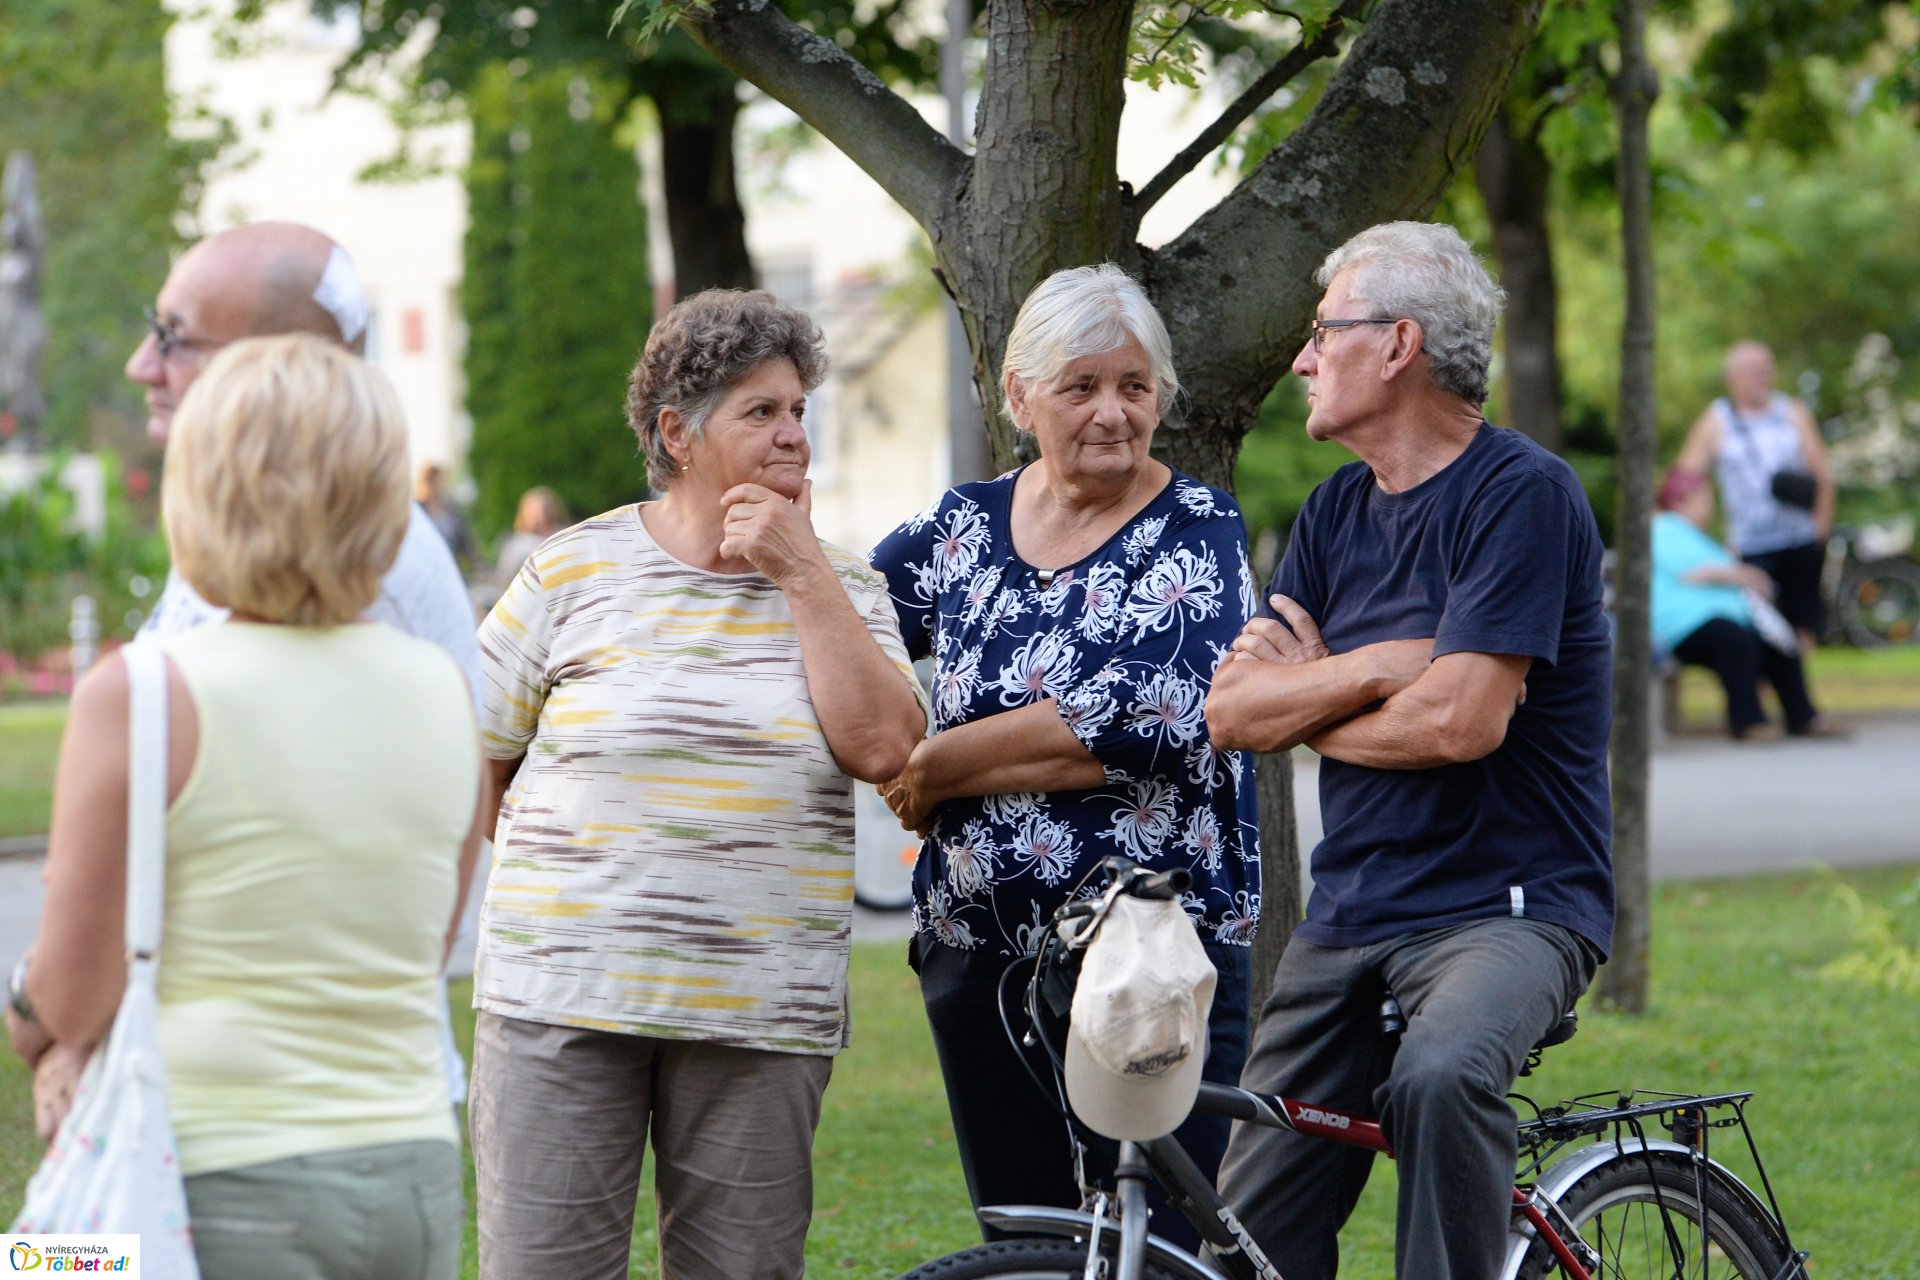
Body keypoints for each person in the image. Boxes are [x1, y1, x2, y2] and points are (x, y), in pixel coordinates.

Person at [5, 335, 487, 1279]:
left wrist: (29, 1017)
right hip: (410, 1171)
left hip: (202, 1182)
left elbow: (68, 991)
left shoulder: (143, 692)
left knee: (39, 1264)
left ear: (203, 489)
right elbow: (422, 945)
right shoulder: (440, 688)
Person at [471, 288, 927, 1280]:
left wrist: (801, 571)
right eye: (760, 410)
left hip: (760, 1013)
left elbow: (888, 746)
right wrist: (576, 889)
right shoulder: (569, 571)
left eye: (799, 408)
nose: (793, 433)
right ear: (678, 432)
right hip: (563, 998)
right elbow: (479, 752)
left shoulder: (845, 588)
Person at [1205, 222, 1613, 1280]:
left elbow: (1461, 723)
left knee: (1438, 1077)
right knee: (1243, 1232)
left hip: (1508, 907)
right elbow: (1234, 715)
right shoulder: (1336, 510)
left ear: (1397, 344)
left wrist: (1309, 701)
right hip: (1350, 912)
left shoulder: (1522, 493)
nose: (1301, 357)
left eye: (1321, 331)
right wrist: (1383, 661)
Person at [869, 263, 1261, 1250]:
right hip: (982, 965)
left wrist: (940, 765)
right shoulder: (959, 530)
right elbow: (851, 625)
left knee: (1154, 1250)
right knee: (1026, 1249)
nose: (1112, 412)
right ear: (1019, 396)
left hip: (1155, 961)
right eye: (1081, 386)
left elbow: (1155, 716)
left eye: (1135, 386)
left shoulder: (1197, 530)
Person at [126, 221, 481, 701]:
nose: (141, 366)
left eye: (174, 335)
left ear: (283, 369)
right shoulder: (251, 512)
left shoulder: (341, 553)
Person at [1653, 467, 1842, 741]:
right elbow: (1697, 571)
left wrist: (1741, 574)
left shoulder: (1693, 534)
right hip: (1681, 624)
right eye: (1704, 500)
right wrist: (1743, 574)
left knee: (1778, 644)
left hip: (1719, 619)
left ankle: (1803, 716)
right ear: (1681, 500)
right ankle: (1748, 722)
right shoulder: (1663, 528)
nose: (1710, 508)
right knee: (1735, 642)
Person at [1676, 340, 1835, 654]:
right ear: (1732, 377)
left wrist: (1820, 528)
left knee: (1803, 623)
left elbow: (1823, 475)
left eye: (1767, 370)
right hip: (1750, 543)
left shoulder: (1792, 412)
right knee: (1759, 625)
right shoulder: (1716, 421)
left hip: (1800, 537)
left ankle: (1796, 695)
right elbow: (1684, 480)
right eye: (1754, 371)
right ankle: (1763, 693)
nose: (1763, 378)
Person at [492, 484, 569, 589]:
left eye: (546, 510)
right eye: (536, 512)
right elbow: (505, 581)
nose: (542, 517)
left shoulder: (567, 535)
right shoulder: (515, 546)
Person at [415, 461, 476, 572]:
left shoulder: (452, 510)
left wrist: (477, 563)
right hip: (424, 567)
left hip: (450, 566)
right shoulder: (417, 511)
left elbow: (466, 540)